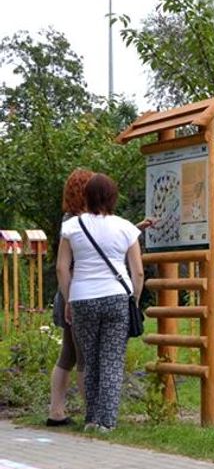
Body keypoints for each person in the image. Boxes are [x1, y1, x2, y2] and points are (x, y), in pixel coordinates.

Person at [55, 173, 144, 434]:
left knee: (90, 360)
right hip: (117, 297)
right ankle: (107, 421)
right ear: (113, 197)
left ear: (87, 197)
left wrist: (69, 298)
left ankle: (92, 419)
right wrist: (134, 300)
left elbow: (62, 268)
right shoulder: (127, 227)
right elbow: (137, 271)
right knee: (112, 360)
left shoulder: (72, 227)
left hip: (82, 297)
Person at [47, 169, 94, 427]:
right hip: (76, 295)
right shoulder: (76, 223)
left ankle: (56, 410)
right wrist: (70, 301)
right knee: (83, 356)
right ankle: (91, 413)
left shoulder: (69, 220)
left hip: (65, 294)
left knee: (68, 354)